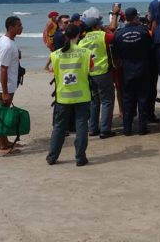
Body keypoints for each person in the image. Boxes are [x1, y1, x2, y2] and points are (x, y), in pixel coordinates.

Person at [47, 24, 93, 166]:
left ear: (65, 35)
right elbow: (92, 69)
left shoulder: (55, 55)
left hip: (63, 96)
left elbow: (54, 72)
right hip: (82, 96)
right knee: (81, 126)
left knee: (59, 127)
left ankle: (52, 157)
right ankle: (80, 158)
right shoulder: (86, 52)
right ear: (79, 35)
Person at [113, 7, 153, 135]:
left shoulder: (118, 34)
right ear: (136, 17)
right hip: (142, 68)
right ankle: (142, 128)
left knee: (127, 99)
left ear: (125, 18)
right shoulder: (144, 31)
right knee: (142, 98)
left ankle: (127, 129)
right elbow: (150, 47)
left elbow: (116, 54)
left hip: (127, 70)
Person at [78, 11, 116, 139]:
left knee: (94, 101)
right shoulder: (102, 35)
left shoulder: (82, 40)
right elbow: (113, 36)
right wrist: (105, 29)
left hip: (89, 74)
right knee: (107, 100)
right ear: (96, 25)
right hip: (103, 72)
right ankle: (105, 129)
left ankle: (93, 128)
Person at [0, 16, 24, 154]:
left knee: (3, 113)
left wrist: (17, 55)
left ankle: (5, 141)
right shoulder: (7, 45)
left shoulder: (7, 41)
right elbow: (3, 68)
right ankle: (3, 144)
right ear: (11, 27)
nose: (22, 28)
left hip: (7, 85)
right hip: (4, 86)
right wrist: (5, 92)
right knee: (2, 115)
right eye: (19, 25)